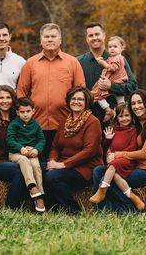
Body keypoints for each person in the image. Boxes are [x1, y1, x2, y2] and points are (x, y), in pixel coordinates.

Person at [17, 23, 85, 160]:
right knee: (38, 162)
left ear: (60, 40)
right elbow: (21, 92)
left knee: (60, 161)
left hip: (65, 124)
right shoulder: (30, 63)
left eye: (53, 36)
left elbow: (81, 92)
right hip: (36, 124)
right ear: (41, 40)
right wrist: (25, 117)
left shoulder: (72, 63)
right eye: (46, 37)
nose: (50, 39)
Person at [91, 89, 146, 212]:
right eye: (133, 104)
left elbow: (145, 153)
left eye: (139, 102)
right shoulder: (136, 122)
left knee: (109, 179)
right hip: (132, 166)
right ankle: (101, 206)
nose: (136, 106)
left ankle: (131, 209)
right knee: (98, 171)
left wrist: (117, 155)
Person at [44, 86, 103, 214]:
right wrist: (52, 161)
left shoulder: (93, 122)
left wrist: (62, 164)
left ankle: (73, 210)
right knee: (37, 168)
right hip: (64, 164)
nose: (76, 102)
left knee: (52, 177)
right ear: (69, 101)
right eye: (73, 98)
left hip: (85, 168)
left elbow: (90, 151)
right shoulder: (65, 121)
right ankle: (46, 207)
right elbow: (55, 146)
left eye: (80, 99)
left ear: (86, 102)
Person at [77, 23, 137, 125]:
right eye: (90, 35)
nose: (94, 38)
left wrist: (111, 86)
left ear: (104, 35)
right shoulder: (78, 61)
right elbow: (74, 90)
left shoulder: (119, 59)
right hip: (86, 120)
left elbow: (133, 86)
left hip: (114, 121)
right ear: (87, 39)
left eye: (97, 34)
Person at [88, 103, 144, 211]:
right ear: (116, 117)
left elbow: (132, 148)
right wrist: (108, 139)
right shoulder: (113, 129)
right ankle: (131, 195)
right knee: (112, 174)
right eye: (121, 116)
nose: (124, 119)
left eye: (127, 115)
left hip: (127, 161)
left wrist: (117, 156)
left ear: (132, 116)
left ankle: (102, 190)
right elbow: (104, 148)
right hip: (113, 162)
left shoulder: (133, 130)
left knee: (112, 167)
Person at [7, 97, 46, 212]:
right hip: (16, 154)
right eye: (22, 112)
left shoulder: (36, 125)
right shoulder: (14, 124)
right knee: (24, 161)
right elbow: (10, 139)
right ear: (17, 112)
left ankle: (40, 196)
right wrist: (21, 148)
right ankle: (32, 187)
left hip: (32, 153)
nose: (25, 115)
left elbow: (41, 140)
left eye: (28, 111)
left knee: (36, 166)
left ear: (33, 111)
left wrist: (36, 150)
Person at [91, 36, 128, 122]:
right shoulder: (113, 58)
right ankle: (122, 114)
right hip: (118, 82)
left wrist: (102, 63)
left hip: (116, 81)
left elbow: (112, 68)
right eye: (110, 47)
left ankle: (108, 110)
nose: (112, 49)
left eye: (115, 47)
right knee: (120, 101)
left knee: (97, 95)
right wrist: (103, 60)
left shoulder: (118, 58)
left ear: (121, 48)